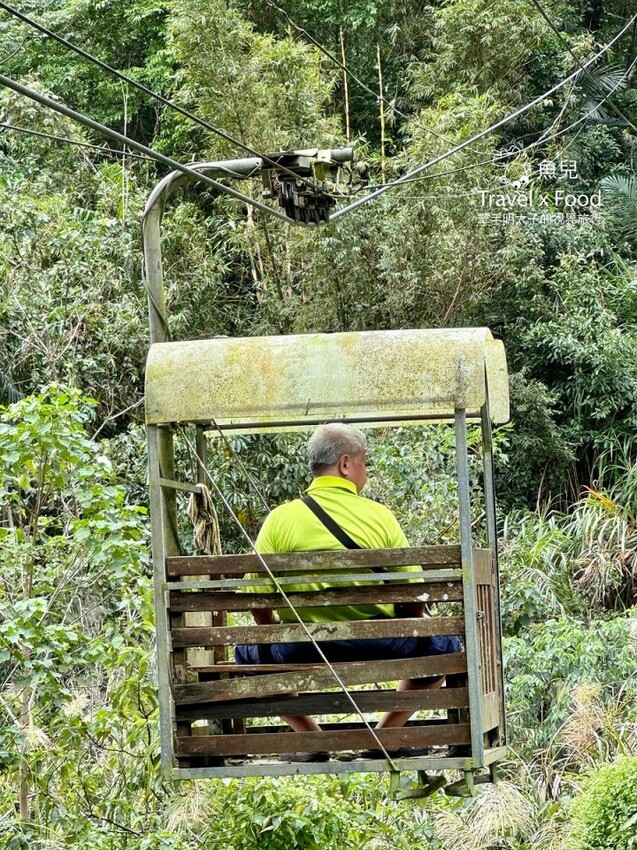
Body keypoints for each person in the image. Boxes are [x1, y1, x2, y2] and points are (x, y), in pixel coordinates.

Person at [235, 423, 461, 737]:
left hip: (302, 646)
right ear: (344, 464)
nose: (365, 470)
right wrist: (401, 622)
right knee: (445, 646)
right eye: (363, 462)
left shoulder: (280, 519)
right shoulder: (379, 517)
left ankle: (313, 737)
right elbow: (413, 596)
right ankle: (384, 735)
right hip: (379, 642)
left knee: (245, 653)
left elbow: (256, 598)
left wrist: (276, 629)